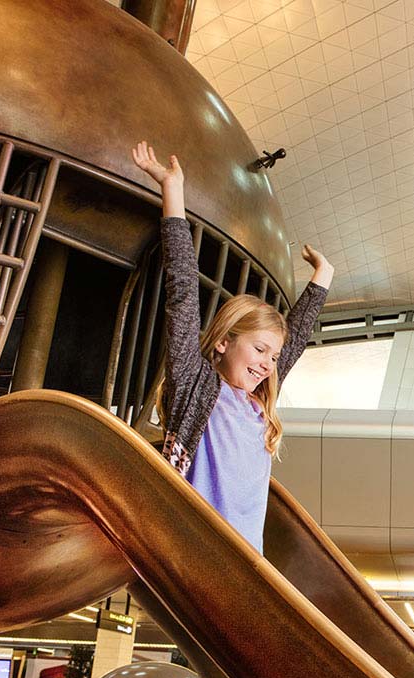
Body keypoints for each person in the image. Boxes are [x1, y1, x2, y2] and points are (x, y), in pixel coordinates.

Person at [132, 141, 332, 553]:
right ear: (223, 342)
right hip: (196, 544)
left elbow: (291, 341)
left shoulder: (258, 403)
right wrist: (173, 193)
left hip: (245, 560)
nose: (268, 365)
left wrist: (322, 278)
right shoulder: (197, 386)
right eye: (260, 350)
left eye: (274, 357)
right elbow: (183, 292)